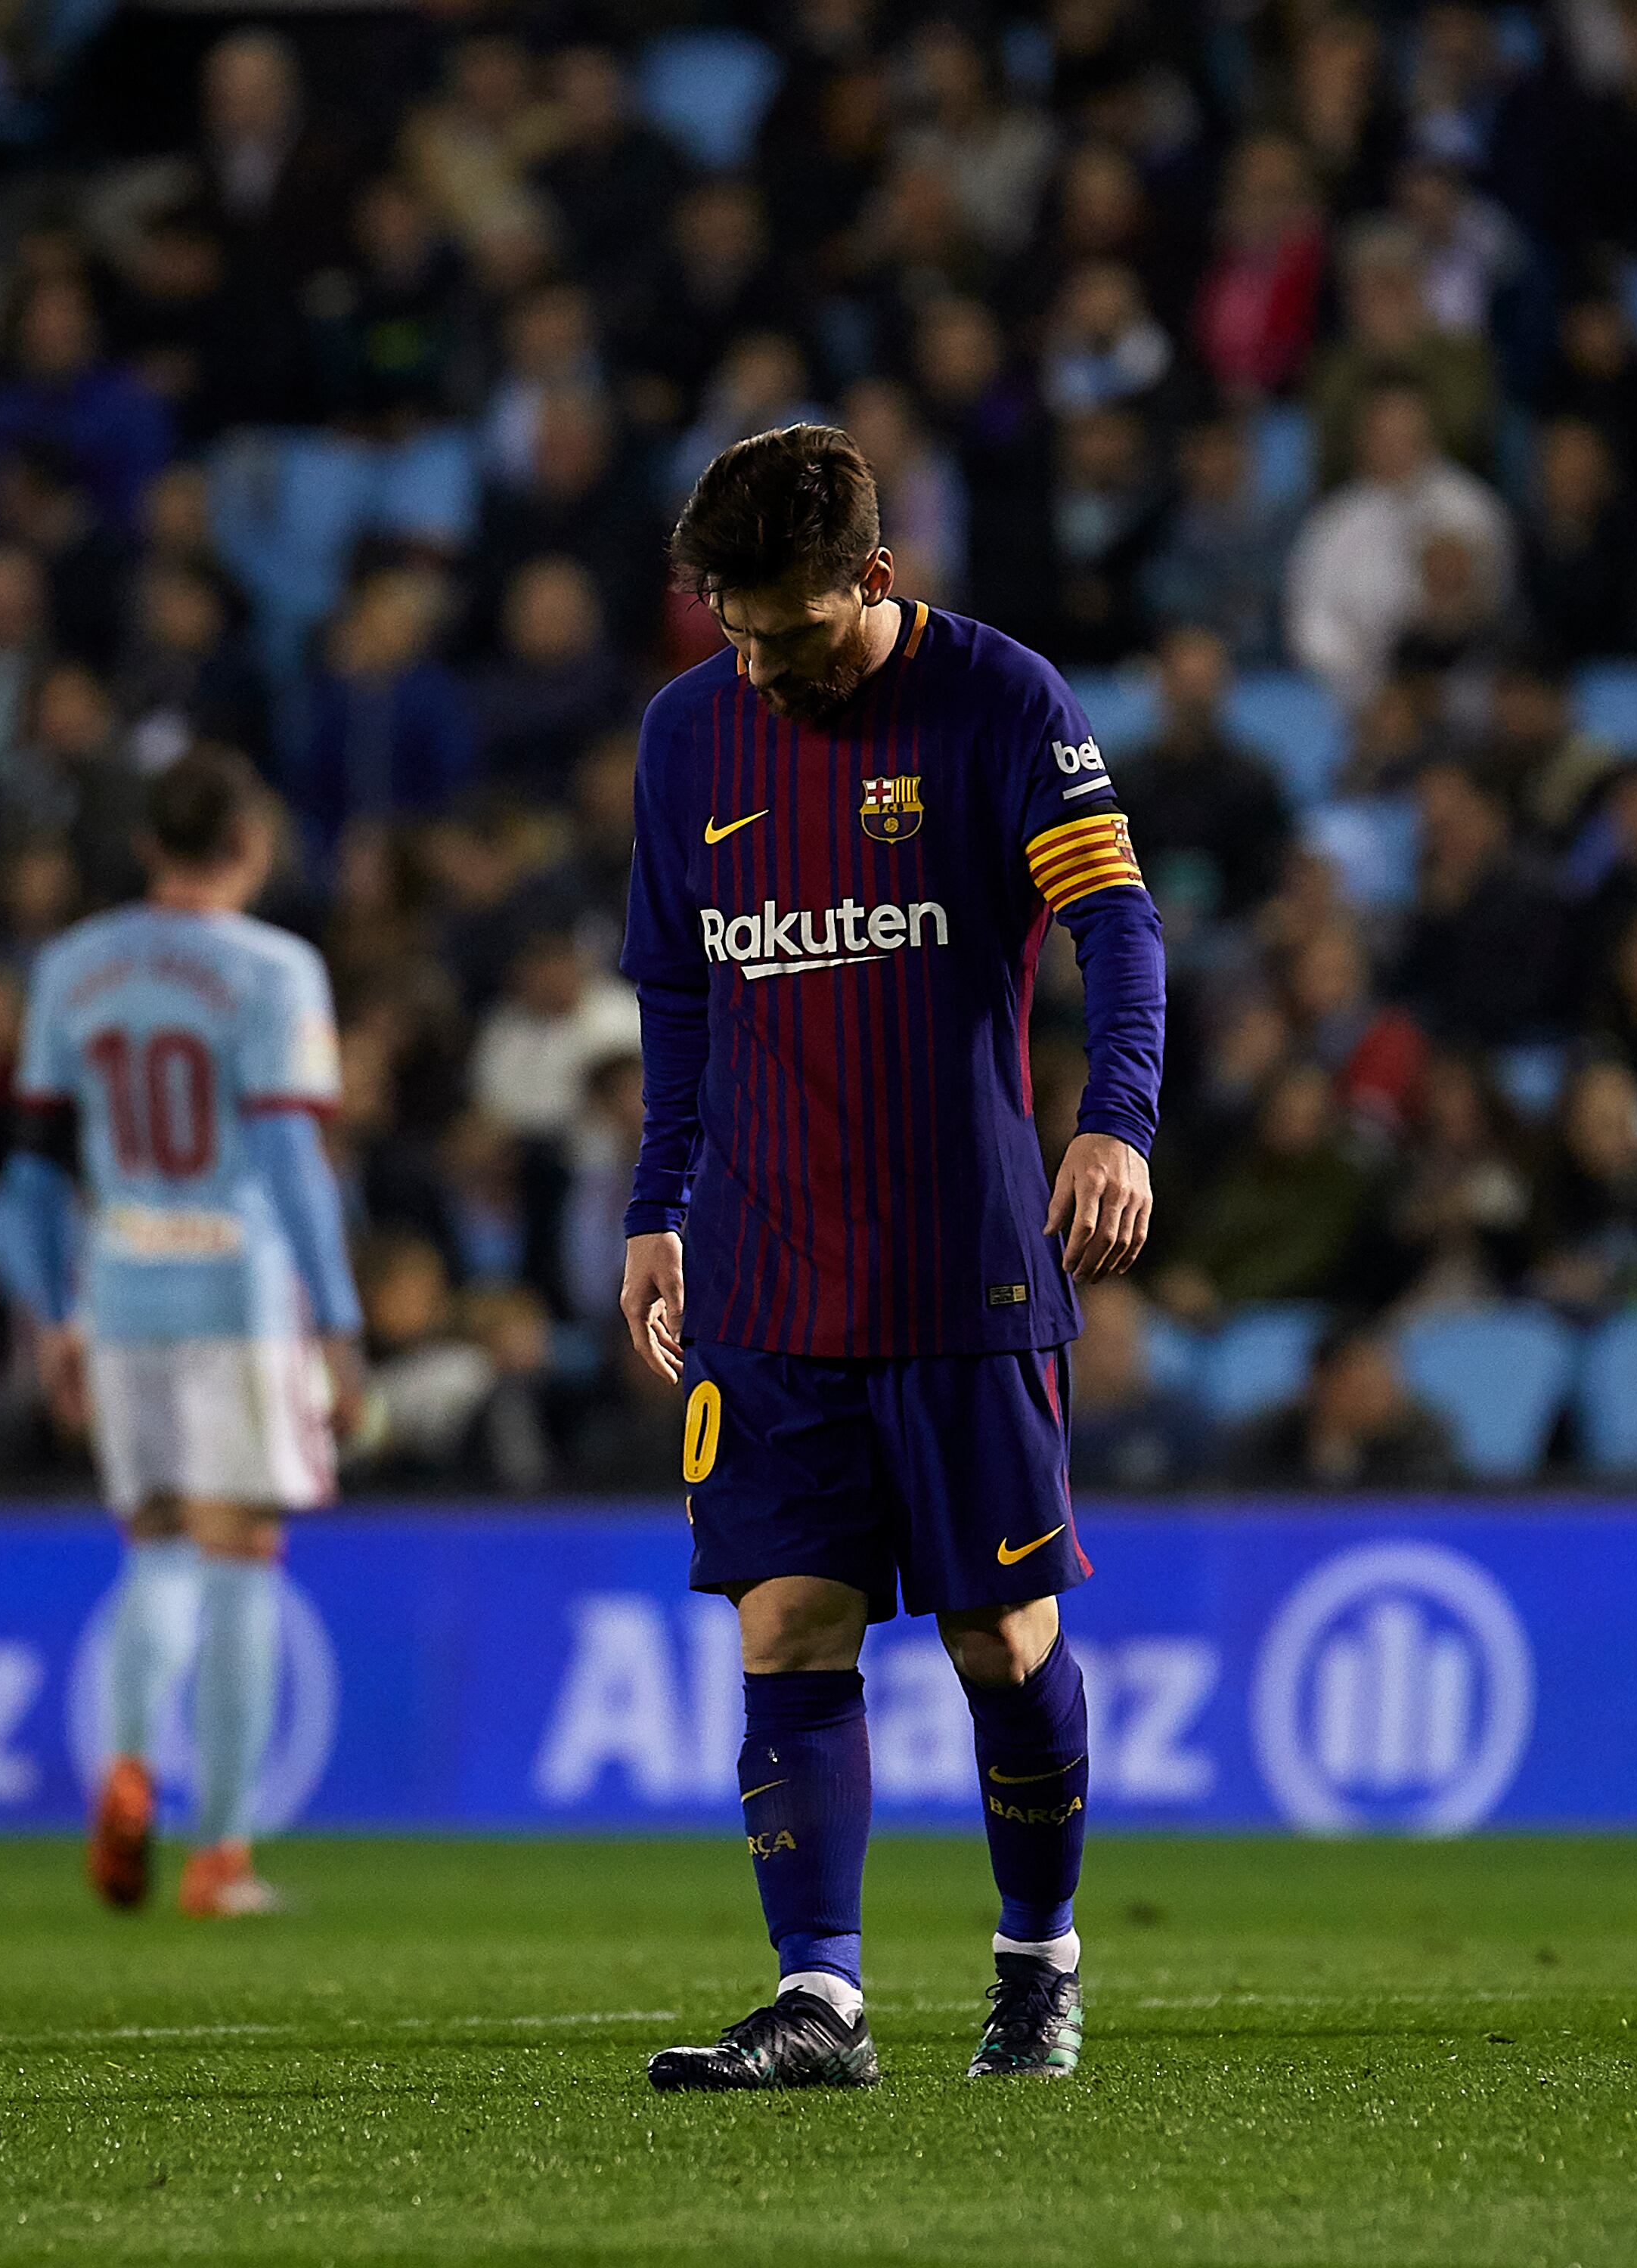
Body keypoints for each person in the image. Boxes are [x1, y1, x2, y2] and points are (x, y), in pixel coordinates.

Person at [619, 425, 1164, 2090]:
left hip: (964, 1260)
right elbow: (680, 990)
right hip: (768, 1262)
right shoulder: (686, 733)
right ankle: (821, 2000)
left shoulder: (1000, 700)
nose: (760, 665)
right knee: (786, 1622)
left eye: (788, 629)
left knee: (1002, 1644)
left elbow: (1116, 923)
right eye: (732, 629)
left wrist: (1117, 1120)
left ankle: (1037, 1961)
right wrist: (658, 1203)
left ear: (875, 575)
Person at [6, 750, 367, 1920]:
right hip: (238, 1289)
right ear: (250, 846)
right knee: (240, 1554)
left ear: (151, 845)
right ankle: (219, 1855)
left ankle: (126, 1766)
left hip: (118, 1287)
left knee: (153, 1546)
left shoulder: (72, 966)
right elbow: (291, 1163)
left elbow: (31, 1173)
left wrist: (53, 1312)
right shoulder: (273, 968)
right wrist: (341, 1324)